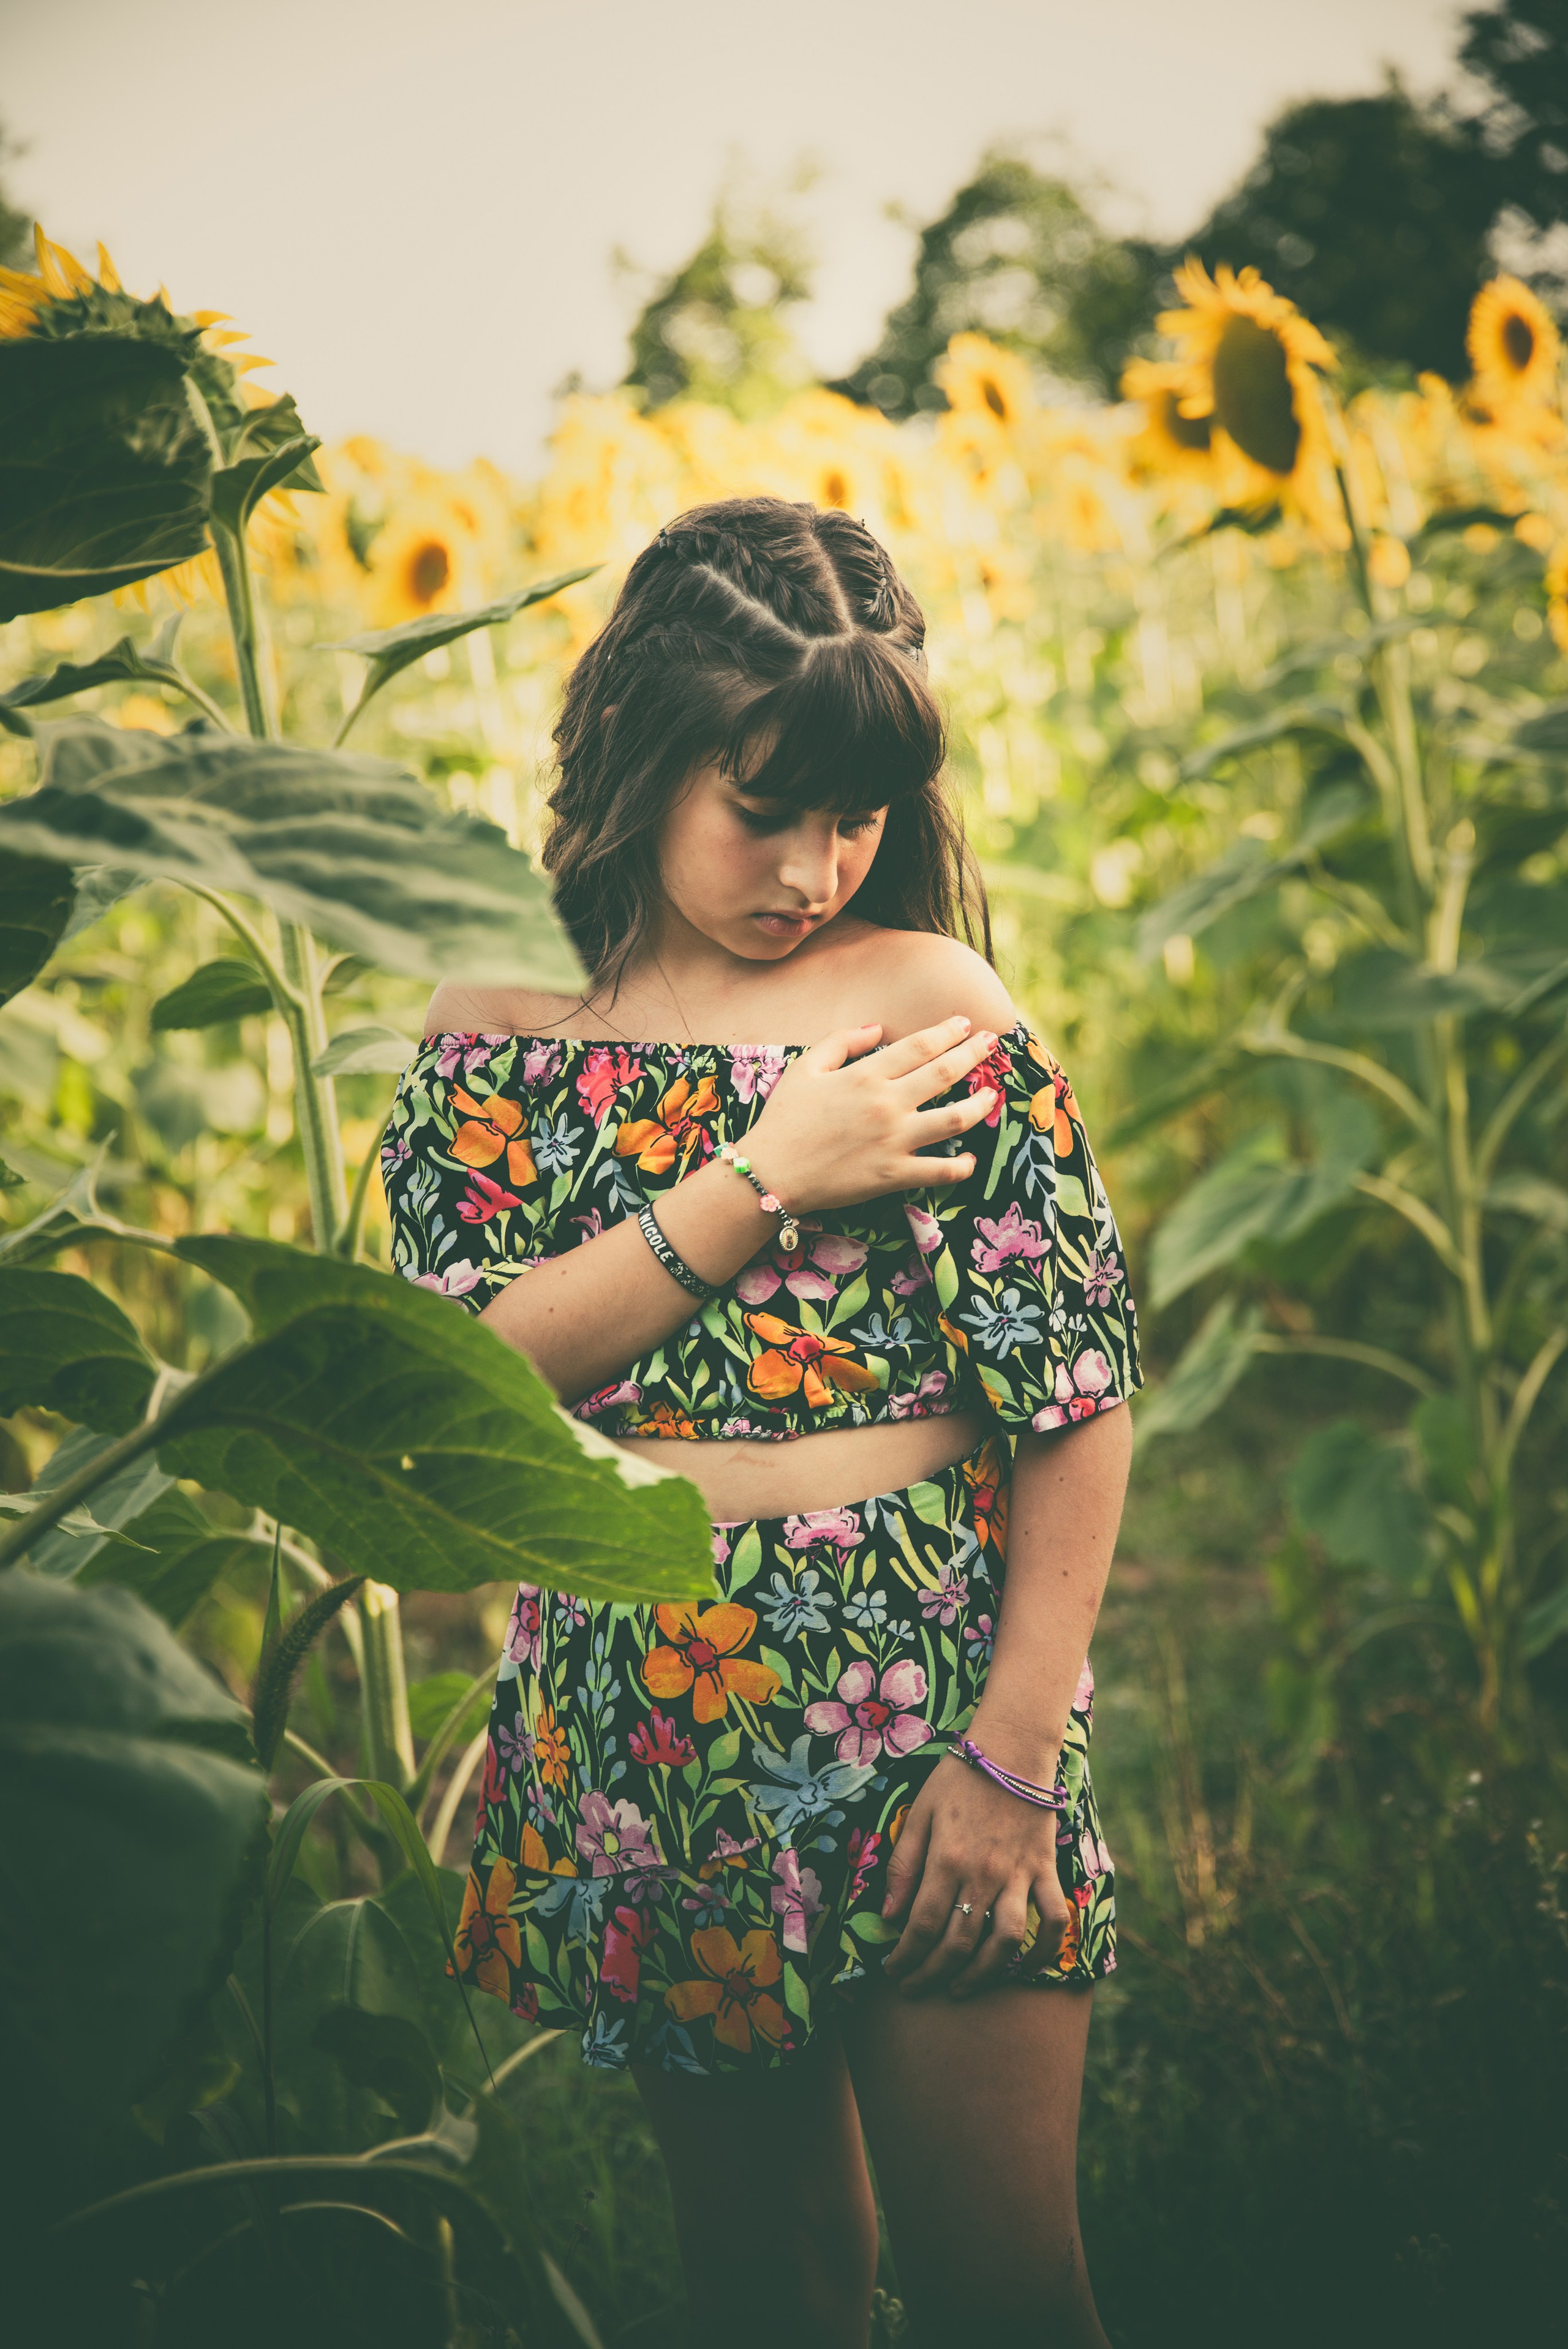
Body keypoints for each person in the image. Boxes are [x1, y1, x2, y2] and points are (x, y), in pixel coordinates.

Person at [384, 495, 1140, 2347]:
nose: (814, 868)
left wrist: (1014, 1757)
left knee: (1008, 2288)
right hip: (641, 1698)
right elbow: (462, 1374)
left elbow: (1075, 1392)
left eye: (858, 815)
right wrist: (763, 1176)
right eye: (766, 807)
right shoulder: (498, 1017)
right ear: (646, 750)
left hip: (924, 1694)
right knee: (767, 2280)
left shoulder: (923, 1006)